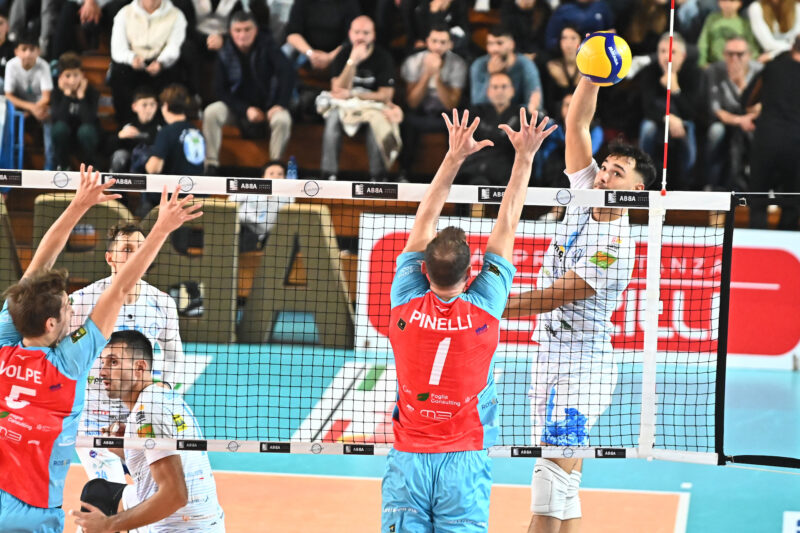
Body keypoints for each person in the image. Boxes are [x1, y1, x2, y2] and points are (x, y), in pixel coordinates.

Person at [0, 165, 202, 533]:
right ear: (51, 325)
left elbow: (35, 271)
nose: (72, 310)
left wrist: (79, 204)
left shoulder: (3, 346)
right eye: (66, 308)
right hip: (34, 513)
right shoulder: (69, 364)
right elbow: (120, 288)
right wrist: (161, 229)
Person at [382, 108, 556, 532]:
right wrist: (525, 156)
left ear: (423, 270)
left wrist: (453, 155)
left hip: (408, 460)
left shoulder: (404, 301)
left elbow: (424, 218)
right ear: (471, 273)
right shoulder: (485, 306)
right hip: (464, 459)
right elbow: (507, 221)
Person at [503, 76, 656, 533]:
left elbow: (551, 296)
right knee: (565, 487)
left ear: (636, 192)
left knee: (548, 482)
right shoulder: (586, 190)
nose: (604, 175)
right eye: (606, 167)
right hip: (546, 355)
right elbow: (577, 123)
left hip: (585, 365)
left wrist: (484, 306)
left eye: (617, 173)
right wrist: (592, 76)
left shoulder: (616, 249)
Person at [70, 330, 225, 533]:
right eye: (103, 363)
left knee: (101, 509)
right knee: (98, 493)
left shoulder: (148, 412)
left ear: (140, 368)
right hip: (201, 517)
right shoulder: (163, 396)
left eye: (113, 362)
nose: (102, 372)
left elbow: (175, 495)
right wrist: (128, 447)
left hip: (179, 526)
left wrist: (109, 524)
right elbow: (159, 458)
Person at [71, 221, 186, 485]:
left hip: (141, 420)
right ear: (110, 258)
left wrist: (165, 390)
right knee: (111, 496)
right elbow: (62, 350)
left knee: (157, 496)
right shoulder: (83, 300)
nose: (135, 255)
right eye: (127, 249)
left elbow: (174, 355)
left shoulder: (162, 303)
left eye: (141, 248)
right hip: (94, 423)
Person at [202, 10, 293, 175]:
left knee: (283, 120)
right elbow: (220, 90)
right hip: (238, 109)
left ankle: (274, 168)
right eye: (237, 30)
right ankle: (211, 166)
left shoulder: (267, 45)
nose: (242, 35)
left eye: (247, 29)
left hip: (269, 108)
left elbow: (287, 73)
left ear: (255, 30)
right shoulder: (225, 51)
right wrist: (245, 109)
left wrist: (279, 104)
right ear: (230, 32)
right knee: (211, 112)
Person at [320, 15, 396, 182]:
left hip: (371, 107)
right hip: (345, 107)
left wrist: (354, 95)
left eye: (366, 33)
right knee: (332, 118)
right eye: (357, 32)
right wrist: (352, 62)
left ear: (373, 35)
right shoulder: (342, 54)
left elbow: (386, 95)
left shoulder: (383, 57)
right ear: (350, 34)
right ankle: (329, 174)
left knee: (377, 121)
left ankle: (378, 177)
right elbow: (337, 89)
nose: (361, 37)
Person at [744, 35, 800, 229]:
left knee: (758, 199)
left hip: (766, 139)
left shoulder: (772, 68)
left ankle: (756, 241)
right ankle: (786, 240)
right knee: (792, 202)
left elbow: (747, 99)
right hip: (796, 144)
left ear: (792, 47)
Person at [399, 23, 467, 181]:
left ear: (450, 44)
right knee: (406, 121)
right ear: (427, 42)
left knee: (459, 124)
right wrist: (427, 74)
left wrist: (436, 76)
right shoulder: (413, 61)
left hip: (446, 115)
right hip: (420, 112)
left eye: (443, 42)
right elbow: (412, 103)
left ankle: (454, 177)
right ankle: (404, 173)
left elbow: (451, 104)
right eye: (434, 41)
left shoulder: (458, 64)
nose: (438, 46)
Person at [636, 32, 703, 190]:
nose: (667, 57)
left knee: (689, 129)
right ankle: (645, 176)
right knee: (647, 127)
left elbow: (694, 112)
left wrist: (676, 90)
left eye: (673, 52)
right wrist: (667, 117)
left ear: (683, 56)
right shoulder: (649, 72)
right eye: (662, 51)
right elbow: (646, 107)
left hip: (684, 123)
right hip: (658, 122)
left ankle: (687, 182)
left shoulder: (694, 74)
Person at [108, 0, 187, 124]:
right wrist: (132, 58)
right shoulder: (124, 13)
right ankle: (126, 124)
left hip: (161, 63)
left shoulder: (176, 15)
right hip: (133, 62)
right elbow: (118, 49)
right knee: (119, 71)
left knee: (177, 68)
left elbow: (174, 47)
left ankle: (161, 124)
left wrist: (161, 62)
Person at [704, 35, 761, 190]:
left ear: (749, 55)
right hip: (725, 121)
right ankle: (711, 182)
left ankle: (758, 184)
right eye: (730, 54)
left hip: (751, 120)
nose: (734, 59)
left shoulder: (758, 71)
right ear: (724, 55)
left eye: (740, 54)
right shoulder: (715, 71)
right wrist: (740, 120)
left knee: (763, 131)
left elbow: (760, 107)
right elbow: (716, 110)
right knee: (715, 132)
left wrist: (742, 85)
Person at [459, 71, 525, 186]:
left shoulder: (522, 115)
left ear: (513, 91)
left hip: (507, 168)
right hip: (476, 165)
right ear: (488, 92)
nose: (499, 91)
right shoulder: (475, 112)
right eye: (495, 87)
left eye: (504, 87)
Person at [3, 33, 54, 170]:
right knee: (5, 113)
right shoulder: (11, 65)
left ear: (38, 51)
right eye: (24, 49)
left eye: (32, 49)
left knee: (49, 116)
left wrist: (31, 110)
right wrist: (29, 109)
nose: (28, 53)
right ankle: (9, 165)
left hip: (39, 106)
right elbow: (9, 96)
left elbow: (46, 97)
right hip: (19, 105)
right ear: (16, 51)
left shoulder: (44, 65)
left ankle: (50, 165)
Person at [469, 25, 542, 115]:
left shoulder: (525, 64)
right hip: (488, 118)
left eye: (499, 43)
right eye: (490, 44)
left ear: (511, 44)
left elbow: (535, 101)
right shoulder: (479, 65)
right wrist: (490, 76)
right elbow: (477, 105)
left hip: (519, 117)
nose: (494, 49)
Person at [50, 51, 101, 170]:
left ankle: (90, 167)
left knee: (86, 130)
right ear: (60, 76)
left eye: (76, 75)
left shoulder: (91, 92)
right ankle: (63, 166)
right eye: (68, 76)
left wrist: (81, 96)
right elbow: (58, 119)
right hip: (66, 138)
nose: (72, 80)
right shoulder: (57, 93)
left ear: (82, 75)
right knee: (59, 129)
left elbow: (89, 120)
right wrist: (67, 96)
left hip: (86, 137)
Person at [230, 160, 294, 252]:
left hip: (271, 235)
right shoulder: (250, 187)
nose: (276, 176)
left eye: (280, 174)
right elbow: (230, 203)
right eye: (271, 173)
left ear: (285, 178)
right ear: (263, 177)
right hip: (246, 229)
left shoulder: (288, 197)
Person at [146, 83, 205, 176]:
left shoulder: (166, 132)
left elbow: (154, 169)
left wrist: (145, 161)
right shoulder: (197, 131)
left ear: (165, 106)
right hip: (196, 184)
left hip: (174, 184)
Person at [108, 86, 163, 174]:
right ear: (134, 107)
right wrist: (120, 136)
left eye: (152, 104)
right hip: (128, 164)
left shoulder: (161, 126)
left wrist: (140, 136)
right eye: (144, 105)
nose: (149, 108)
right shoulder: (128, 124)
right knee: (120, 155)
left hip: (149, 165)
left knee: (145, 155)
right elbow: (109, 147)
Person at [696, 0, 759, 67]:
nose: (727, 4)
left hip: (738, 65)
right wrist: (702, 63)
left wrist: (749, 62)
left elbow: (752, 48)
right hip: (714, 64)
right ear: (719, 2)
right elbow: (703, 42)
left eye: (732, 1)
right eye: (724, 0)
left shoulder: (744, 24)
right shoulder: (712, 19)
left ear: (739, 3)